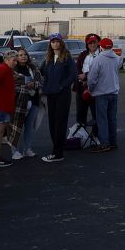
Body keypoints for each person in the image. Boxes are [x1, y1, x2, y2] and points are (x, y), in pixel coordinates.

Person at [39, 33, 77, 163]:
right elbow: (43, 73)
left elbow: (73, 75)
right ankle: (56, 149)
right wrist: (45, 88)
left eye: (57, 41)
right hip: (51, 94)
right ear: (50, 43)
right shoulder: (48, 58)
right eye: (53, 41)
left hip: (62, 95)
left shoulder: (67, 57)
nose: (55, 43)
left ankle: (58, 153)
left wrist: (62, 86)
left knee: (60, 123)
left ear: (61, 43)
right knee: (52, 123)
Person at [87, 38, 122, 152]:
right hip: (114, 92)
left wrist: (90, 89)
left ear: (101, 47)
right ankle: (113, 142)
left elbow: (92, 78)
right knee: (112, 119)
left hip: (101, 93)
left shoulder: (98, 59)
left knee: (102, 119)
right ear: (111, 47)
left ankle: (104, 143)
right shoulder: (117, 58)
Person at [10, 47, 43, 160]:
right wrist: (26, 84)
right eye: (20, 55)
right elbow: (12, 84)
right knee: (16, 127)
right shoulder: (12, 69)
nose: (23, 56)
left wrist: (34, 84)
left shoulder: (33, 68)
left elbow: (40, 82)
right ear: (16, 57)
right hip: (18, 102)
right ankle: (14, 151)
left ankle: (27, 149)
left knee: (30, 127)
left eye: (25, 54)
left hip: (33, 101)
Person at [74, 34, 101, 132]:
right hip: (82, 88)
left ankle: (96, 137)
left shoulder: (101, 55)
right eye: (90, 43)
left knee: (96, 115)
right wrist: (82, 79)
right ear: (87, 44)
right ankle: (81, 135)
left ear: (98, 43)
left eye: (94, 42)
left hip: (97, 89)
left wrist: (86, 76)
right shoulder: (83, 55)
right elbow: (77, 69)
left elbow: (100, 71)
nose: (93, 45)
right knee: (81, 114)